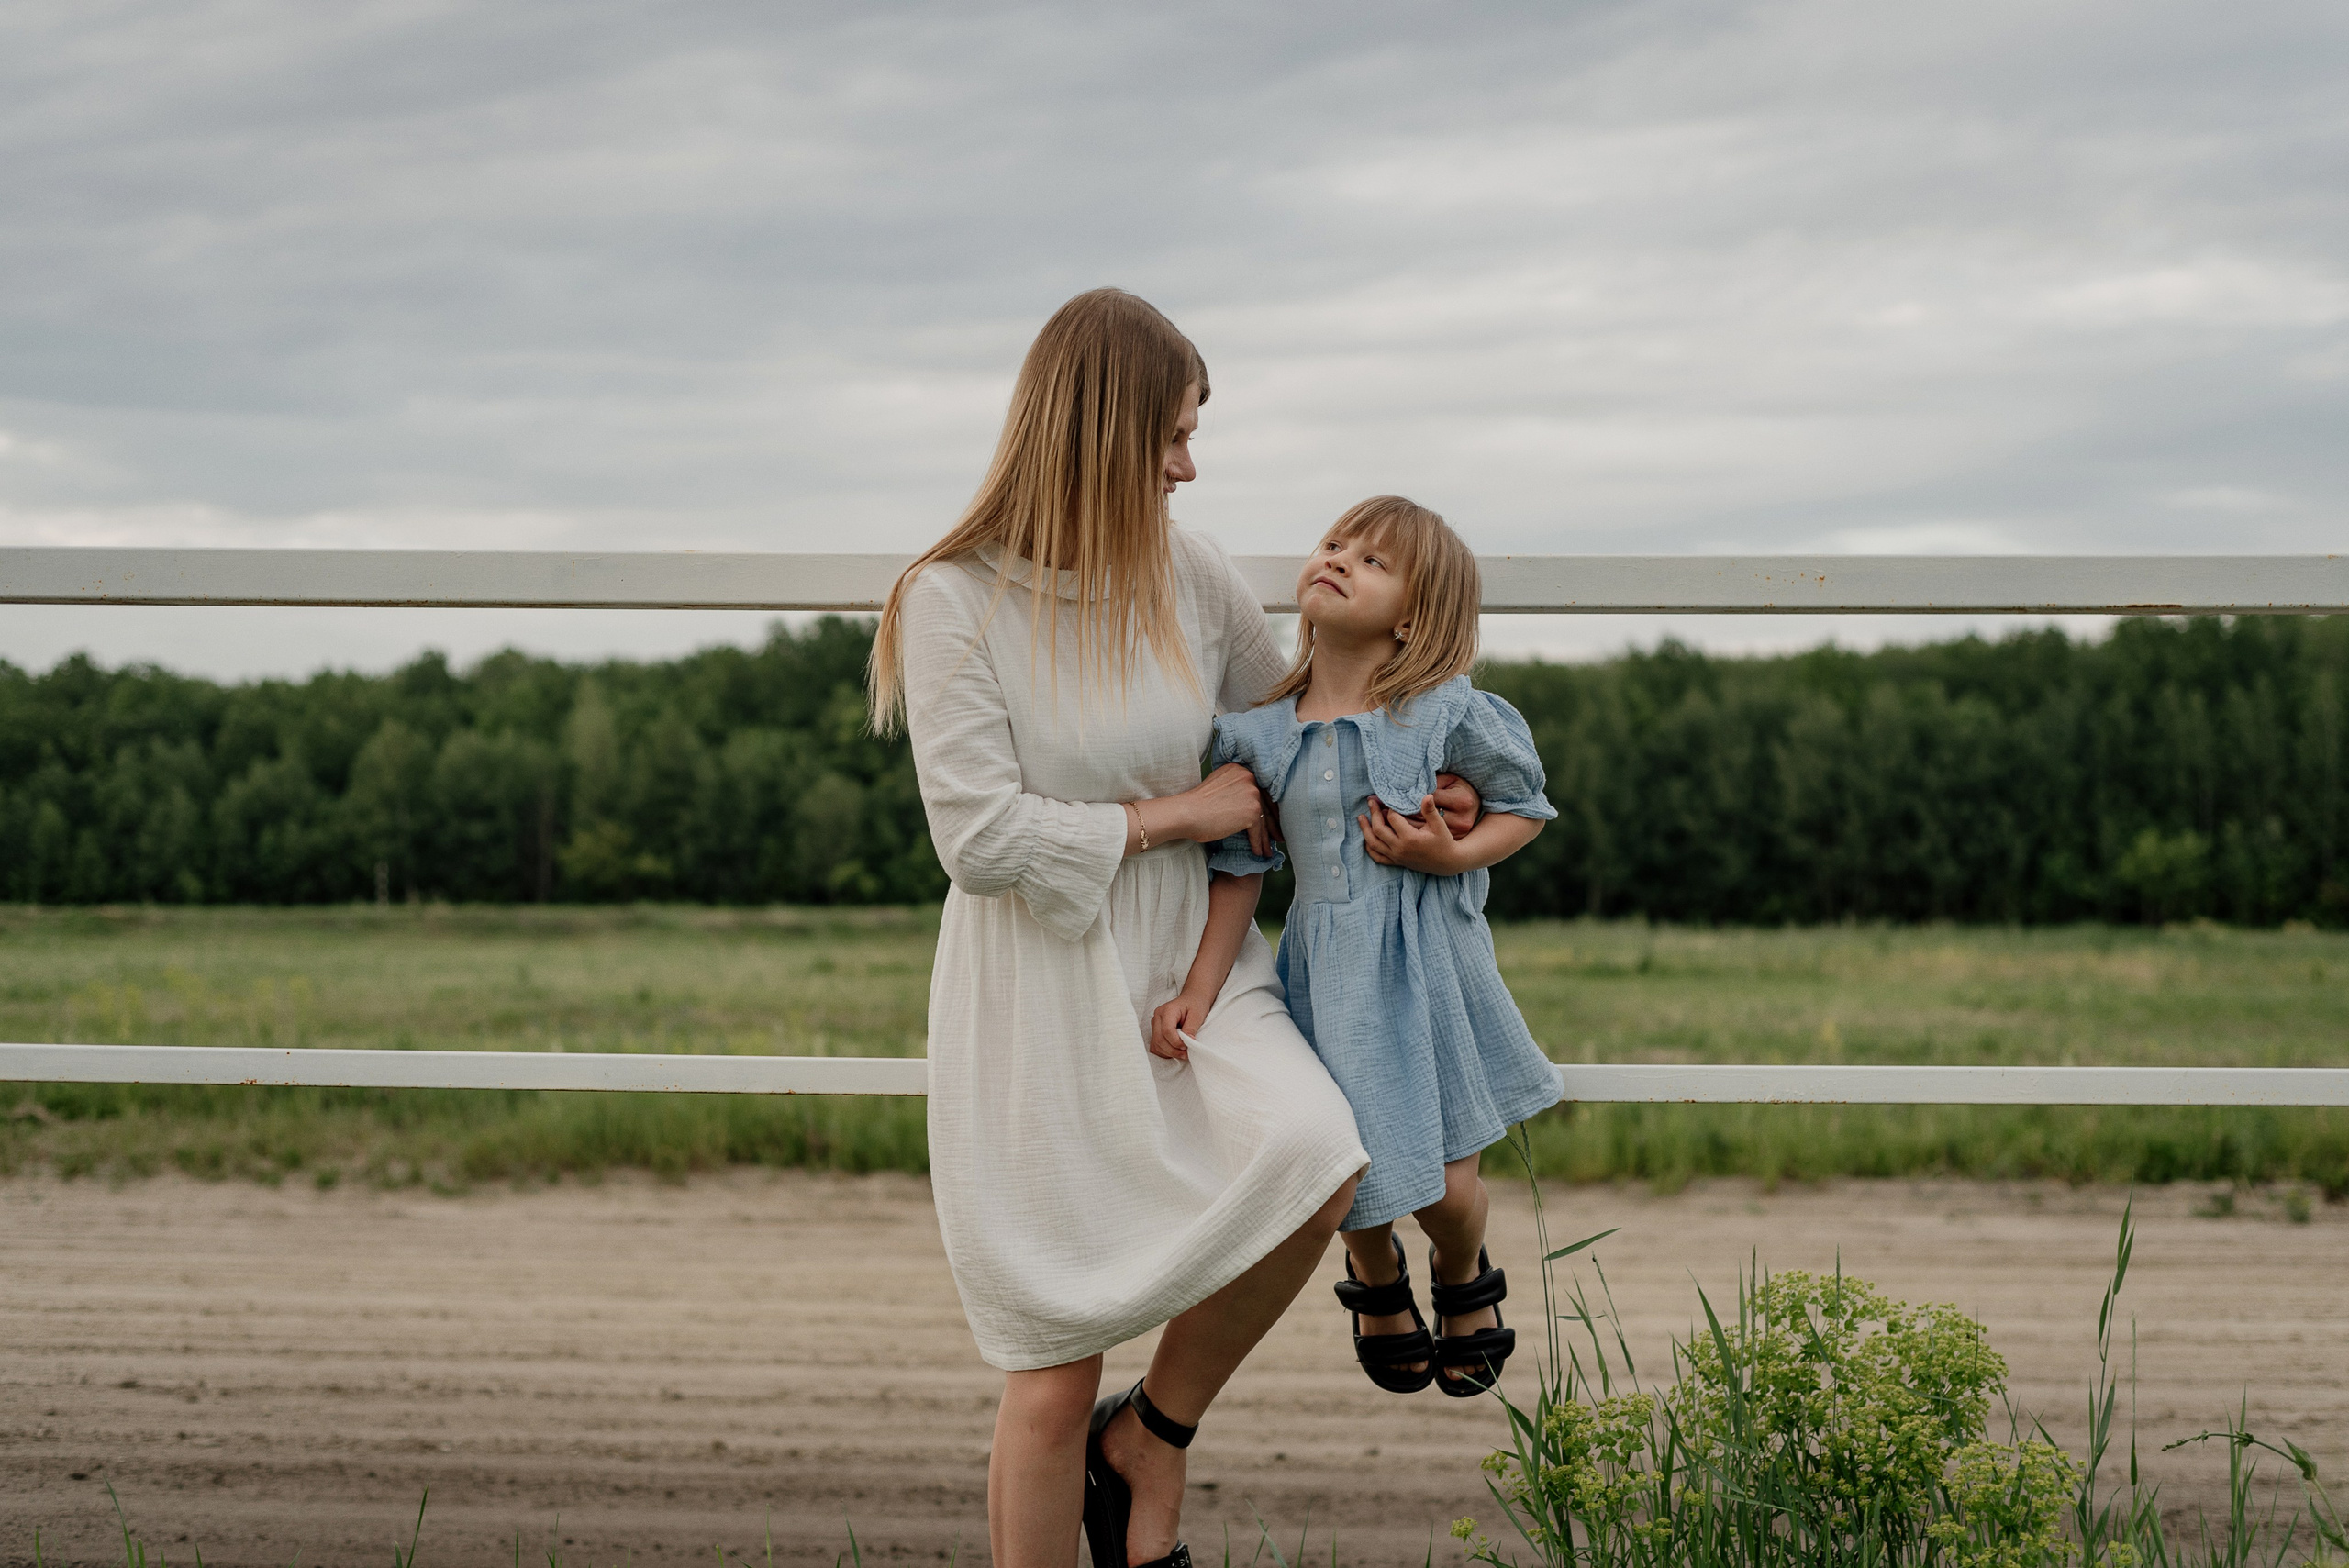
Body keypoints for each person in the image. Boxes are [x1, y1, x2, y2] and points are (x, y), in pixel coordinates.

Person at [868, 294, 1477, 1568]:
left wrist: (1436, 795)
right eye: (1173, 434)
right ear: (1101, 429)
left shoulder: (1187, 571)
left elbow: (1292, 730)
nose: (1188, 464)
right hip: (1037, 986)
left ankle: (1151, 1434)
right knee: (1053, 1354)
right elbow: (978, 839)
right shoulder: (951, 599)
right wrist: (1172, 812)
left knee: (1322, 1158)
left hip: (1192, 956)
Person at [1166, 495, 1564, 1398]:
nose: (1338, 558)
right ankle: (1376, 1278)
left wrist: (1450, 851)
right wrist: (1199, 986)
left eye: (1373, 560)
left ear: (1413, 617)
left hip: (1432, 968)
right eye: (1334, 543)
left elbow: (1524, 809)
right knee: (1342, 1161)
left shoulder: (1441, 714)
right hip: (1328, 971)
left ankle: (1460, 1269)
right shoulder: (1255, 734)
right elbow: (1239, 873)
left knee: (1450, 1188)